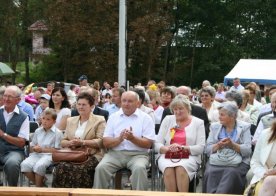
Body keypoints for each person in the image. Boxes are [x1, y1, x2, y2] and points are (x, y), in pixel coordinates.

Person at [93, 91, 155, 190]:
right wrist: (119, 139)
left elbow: (148, 144)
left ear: (138, 103)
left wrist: (132, 138)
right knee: (101, 168)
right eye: (124, 101)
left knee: (139, 169)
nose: (126, 104)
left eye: (130, 101)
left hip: (138, 155)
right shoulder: (113, 117)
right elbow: (106, 142)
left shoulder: (146, 118)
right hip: (115, 154)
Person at [52, 92, 106, 188]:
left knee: (79, 169)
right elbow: (63, 141)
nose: (81, 107)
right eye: (79, 104)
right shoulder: (71, 120)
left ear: (91, 106)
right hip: (72, 154)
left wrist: (83, 142)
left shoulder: (99, 120)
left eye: (84, 104)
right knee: (61, 167)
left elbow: (101, 142)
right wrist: (70, 143)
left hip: (92, 154)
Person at [155, 94, 205, 192]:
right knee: (168, 169)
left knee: (181, 168)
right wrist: (165, 149)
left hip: (189, 156)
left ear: (188, 108)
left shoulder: (198, 123)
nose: (177, 112)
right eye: (175, 109)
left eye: (180, 109)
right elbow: (157, 143)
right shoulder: (168, 119)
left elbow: (201, 147)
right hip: (167, 155)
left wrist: (182, 147)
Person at [203, 101, 252, 194]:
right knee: (209, 172)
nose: (219, 117)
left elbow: (247, 150)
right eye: (219, 114)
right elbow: (207, 149)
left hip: (239, 161)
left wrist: (232, 145)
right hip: (217, 159)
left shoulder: (245, 127)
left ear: (232, 116)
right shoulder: (214, 126)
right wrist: (218, 145)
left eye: (222, 115)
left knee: (231, 172)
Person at [21, 108, 63, 187]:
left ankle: (38, 188)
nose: (44, 121)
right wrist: (33, 147)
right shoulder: (38, 131)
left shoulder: (58, 133)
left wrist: (42, 149)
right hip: (36, 154)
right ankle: (41, 184)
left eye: (48, 119)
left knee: (39, 166)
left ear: (54, 121)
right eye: (43, 118)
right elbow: (33, 145)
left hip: (49, 155)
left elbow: (57, 150)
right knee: (24, 165)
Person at [0, 85, 30, 186]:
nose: (6, 99)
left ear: (18, 100)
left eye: (10, 97)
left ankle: (12, 190)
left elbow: (21, 143)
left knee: (12, 164)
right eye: (5, 95)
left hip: (14, 151)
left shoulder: (24, 117)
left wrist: (3, 135)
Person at [248, 119, 276, 196]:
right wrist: (264, 173)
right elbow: (255, 161)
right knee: (268, 182)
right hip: (264, 178)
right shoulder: (265, 133)